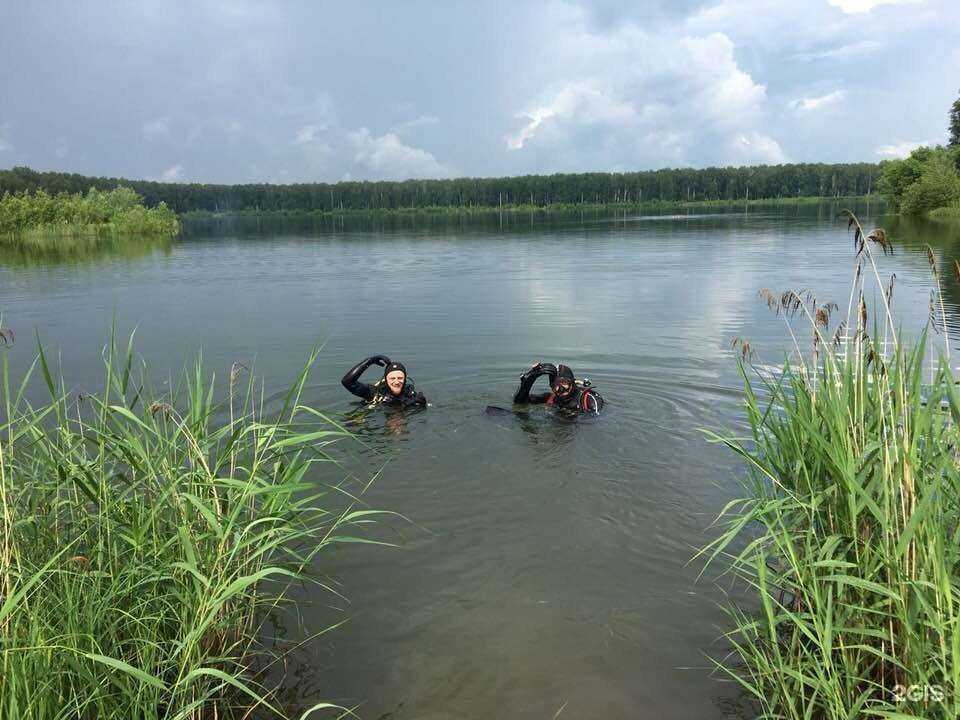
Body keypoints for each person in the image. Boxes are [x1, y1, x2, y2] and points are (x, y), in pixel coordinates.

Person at [513, 362, 603, 414]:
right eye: (555, 384)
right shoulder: (551, 398)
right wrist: (529, 381)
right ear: (551, 386)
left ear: (572, 381)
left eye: (564, 382)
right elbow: (519, 403)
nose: (560, 388)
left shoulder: (588, 400)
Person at [341, 354, 427, 408]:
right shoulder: (374, 393)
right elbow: (347, 382)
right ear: (386, 380)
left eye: (400, 378)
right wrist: (369, 361)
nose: (396, 382)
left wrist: (421, 406)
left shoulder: (411, 394)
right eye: (392, 378)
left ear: (405, 379)